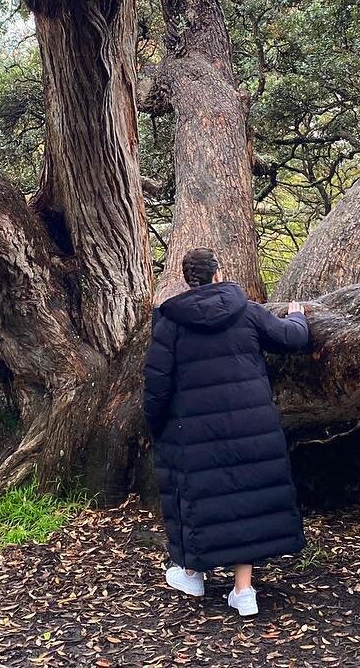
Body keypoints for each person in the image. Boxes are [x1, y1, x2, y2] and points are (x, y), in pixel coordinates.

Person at [142, 246, 310, 618]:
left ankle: (192, 574)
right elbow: (293, 339)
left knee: (201, 497)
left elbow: (157, 386)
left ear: (189, 279)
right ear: (219, 274)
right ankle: (244, 591)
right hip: (252, 424)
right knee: (244, 500)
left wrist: (155, 427)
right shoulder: (247, 311)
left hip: (195, 430)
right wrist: (298, 316)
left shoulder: (170, 322)